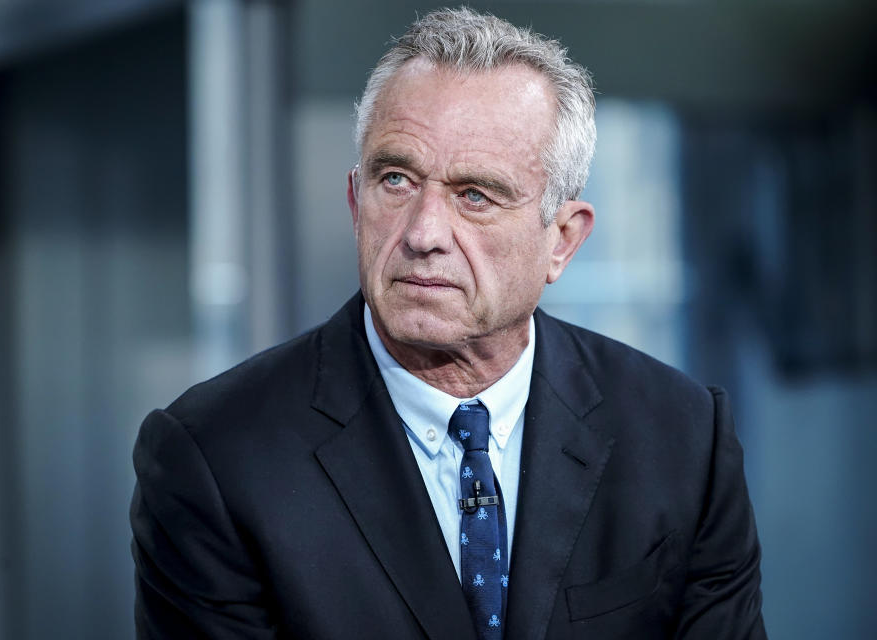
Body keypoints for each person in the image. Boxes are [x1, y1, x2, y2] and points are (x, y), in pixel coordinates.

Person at [130, 7, 765, 639]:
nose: (424, 234)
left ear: (563, 242)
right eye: (397, 179)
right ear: (356, 202)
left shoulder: (683, 438)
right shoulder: (214, 458)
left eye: (476, 195)